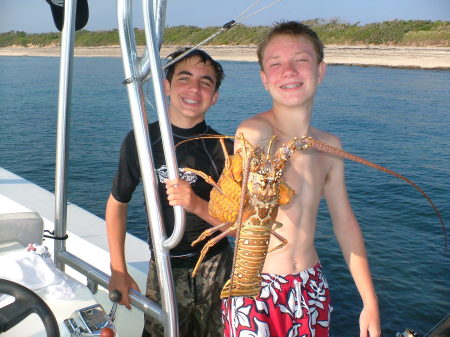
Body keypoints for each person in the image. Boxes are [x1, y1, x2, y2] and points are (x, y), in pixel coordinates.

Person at [221, 21, 381, 337]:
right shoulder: (255, 133)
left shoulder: (330, 146)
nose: (289, 70)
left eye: (301, 60)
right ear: (265, 80)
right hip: (254, 288)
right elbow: (251, 141)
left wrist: (370, 301)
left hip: (310, 284)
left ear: (320, 71)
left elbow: (345, 224)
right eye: (276, 63)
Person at [105, 47, 233, 337]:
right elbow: (117, 204)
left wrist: (197, 204)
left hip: (216, 264)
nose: (194, 88)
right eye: (184, 78)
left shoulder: (225, 148)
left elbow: (238, 227)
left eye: (205, 82)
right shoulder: (141, 140)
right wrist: (118, 269)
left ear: (214, 98)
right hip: (164, 264)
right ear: (166, 87)